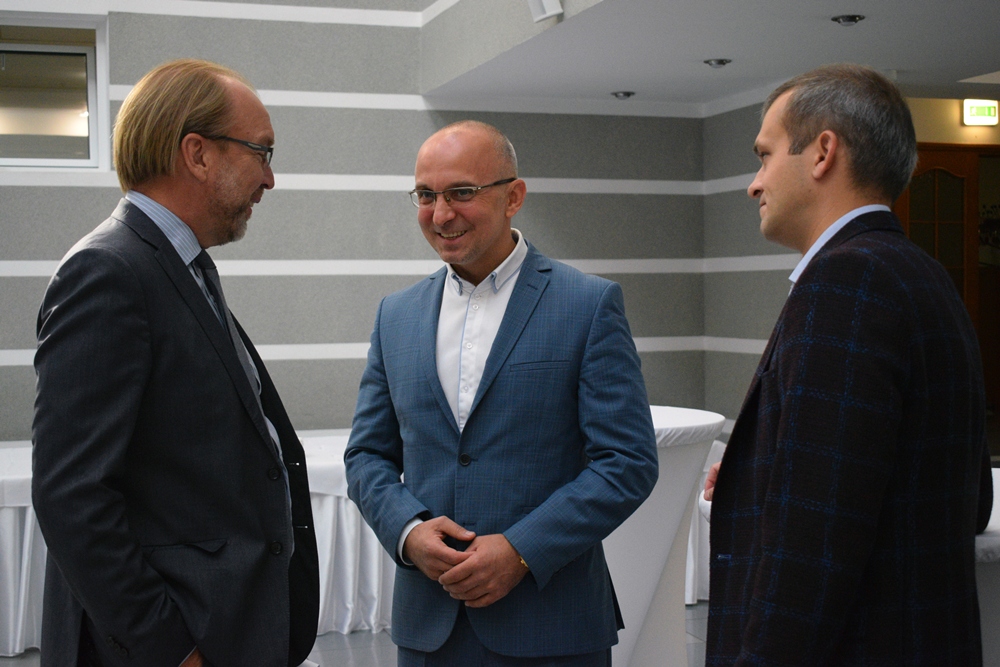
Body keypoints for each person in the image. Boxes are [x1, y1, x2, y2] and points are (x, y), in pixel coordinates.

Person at [32, 59, 319, 667]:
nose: (270, 179)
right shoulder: (109, 272)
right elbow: (73, 499)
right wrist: (172, 650)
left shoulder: (180, 267)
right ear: (198, 154)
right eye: (261, 152)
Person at [704, 64, 993, 665]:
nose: (754, 184)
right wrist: (762, 474)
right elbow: (962, 494)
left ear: (823, 153)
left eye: (764, 155)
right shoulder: (924, 275)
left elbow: (813, 541)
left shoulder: (846, 281)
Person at [344, 120, 659, 665]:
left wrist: (520, 551)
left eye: (461, 192)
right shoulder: (395, 316)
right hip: (428, 628)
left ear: (514, 197)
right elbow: (367, 455)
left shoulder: (587, 305)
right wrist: (408, 532)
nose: (441, 214)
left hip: (551, 626)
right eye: (426, 195)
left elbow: (627, 462)